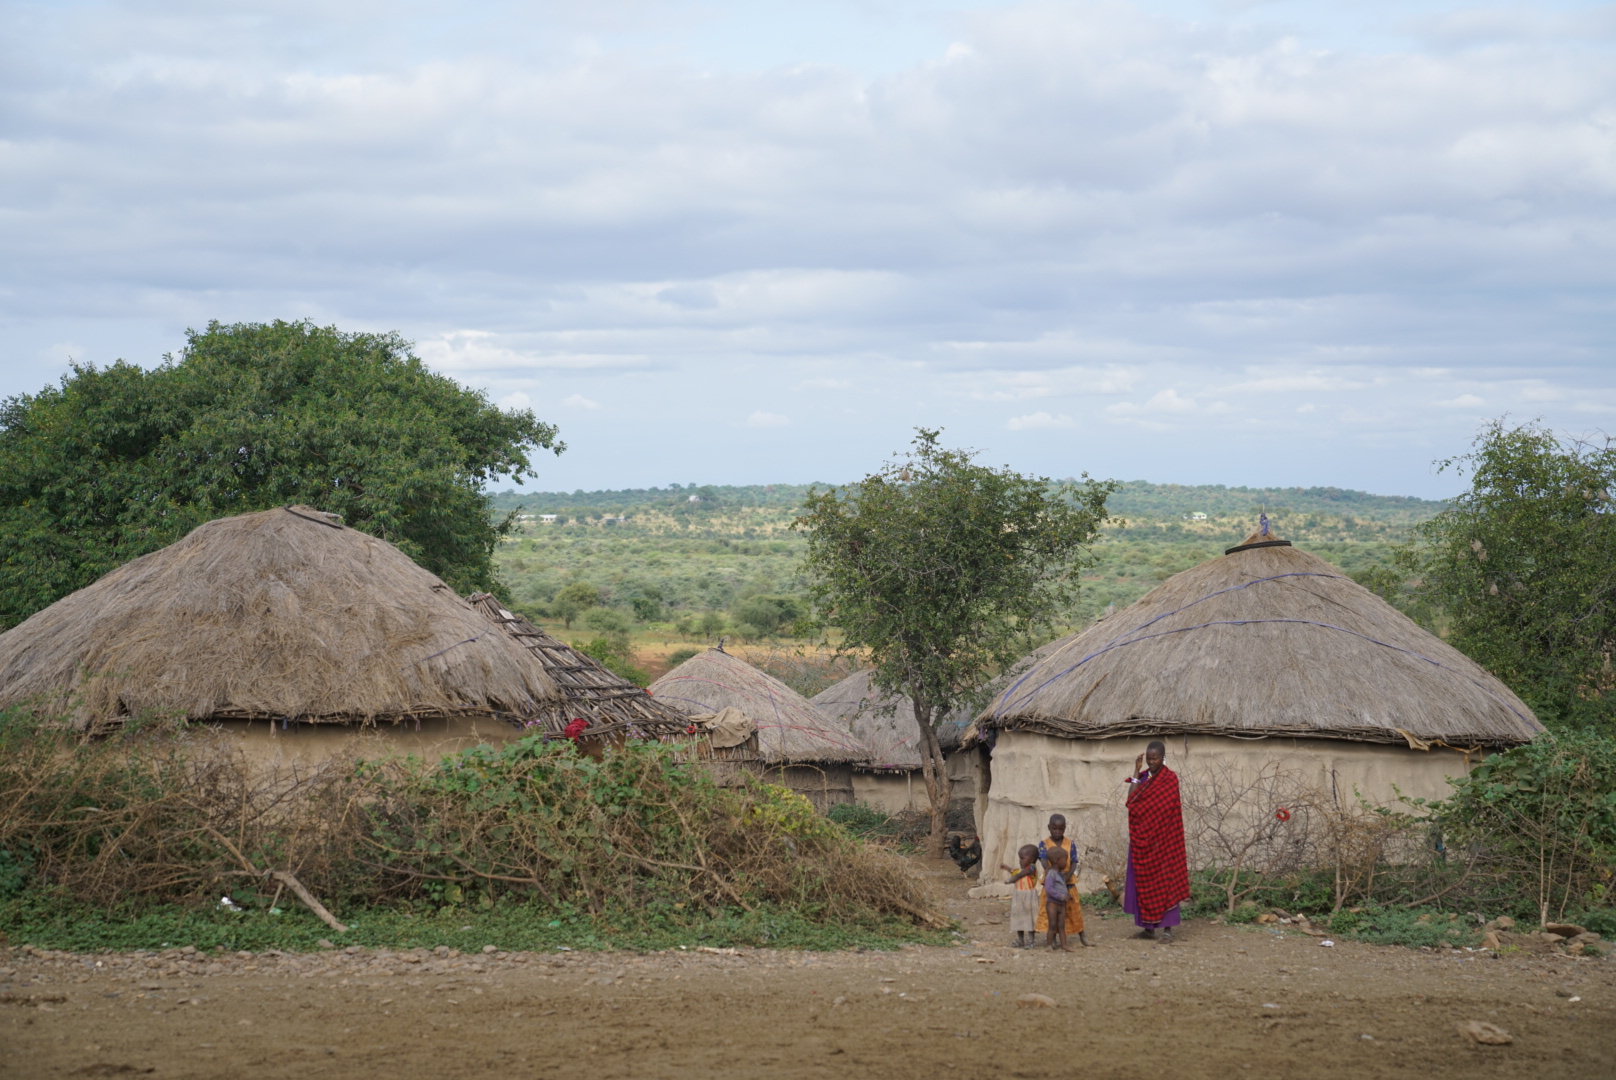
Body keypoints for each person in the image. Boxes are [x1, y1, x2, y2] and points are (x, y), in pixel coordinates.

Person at [1123, 739, 1190, 944]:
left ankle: (1167, 930)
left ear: (1163, 757)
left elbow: (1167, 811)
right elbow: (1131, 802)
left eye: (1156, 758)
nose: (1152, 762)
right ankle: (1148, 929)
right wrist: (1136, 771)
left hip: (1164, 843)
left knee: (1165, 884)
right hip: (1142, 842)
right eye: (1149, 759)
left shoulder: (1170, 780)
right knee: (1142, 883)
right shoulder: (1143, 778)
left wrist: (1158, 835)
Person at [1034, 814, 1093, 947]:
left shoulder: (1070, 844)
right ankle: (1052, 938)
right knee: (1051, 911)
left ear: (1065, 828)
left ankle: (1082, 935)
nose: (1057, 832)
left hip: (1068, 882)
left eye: (1060, 829)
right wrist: (1049, 872)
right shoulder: (1044, 844)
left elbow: (1073, 862)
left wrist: (1067, 876)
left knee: (1074, 909)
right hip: (1051, 883)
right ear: (1049, 827)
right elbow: (1043, 859)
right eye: (1054, 829)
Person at [999, 844, 1041, 948]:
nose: (1020, 861)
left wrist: (1013, 879)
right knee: (1019, 918)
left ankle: (1031, 941)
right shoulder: (1021, 870)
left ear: (1031, 859)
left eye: (1022, 858)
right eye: (1019, 858)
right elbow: (1016, 872)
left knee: (1029, 918)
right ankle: (1020, 940)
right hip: (1018, 895)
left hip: (1028, 896)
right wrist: (1008, 869)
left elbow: (1022, 873)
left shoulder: (1032, 868)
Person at [1042, 846, 1071, 951]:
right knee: (1052, 925)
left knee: (1062, 925)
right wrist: (1062, 896)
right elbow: (1048, 888)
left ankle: (1064, 945)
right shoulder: (1051, 874)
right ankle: (1049, 945)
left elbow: (1061, 886)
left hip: (1061, 904)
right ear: (1057, 861)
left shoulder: (1059, 874)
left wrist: (1067, 896)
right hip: (1052, 903)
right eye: (1065, 859)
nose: (1066, 862)